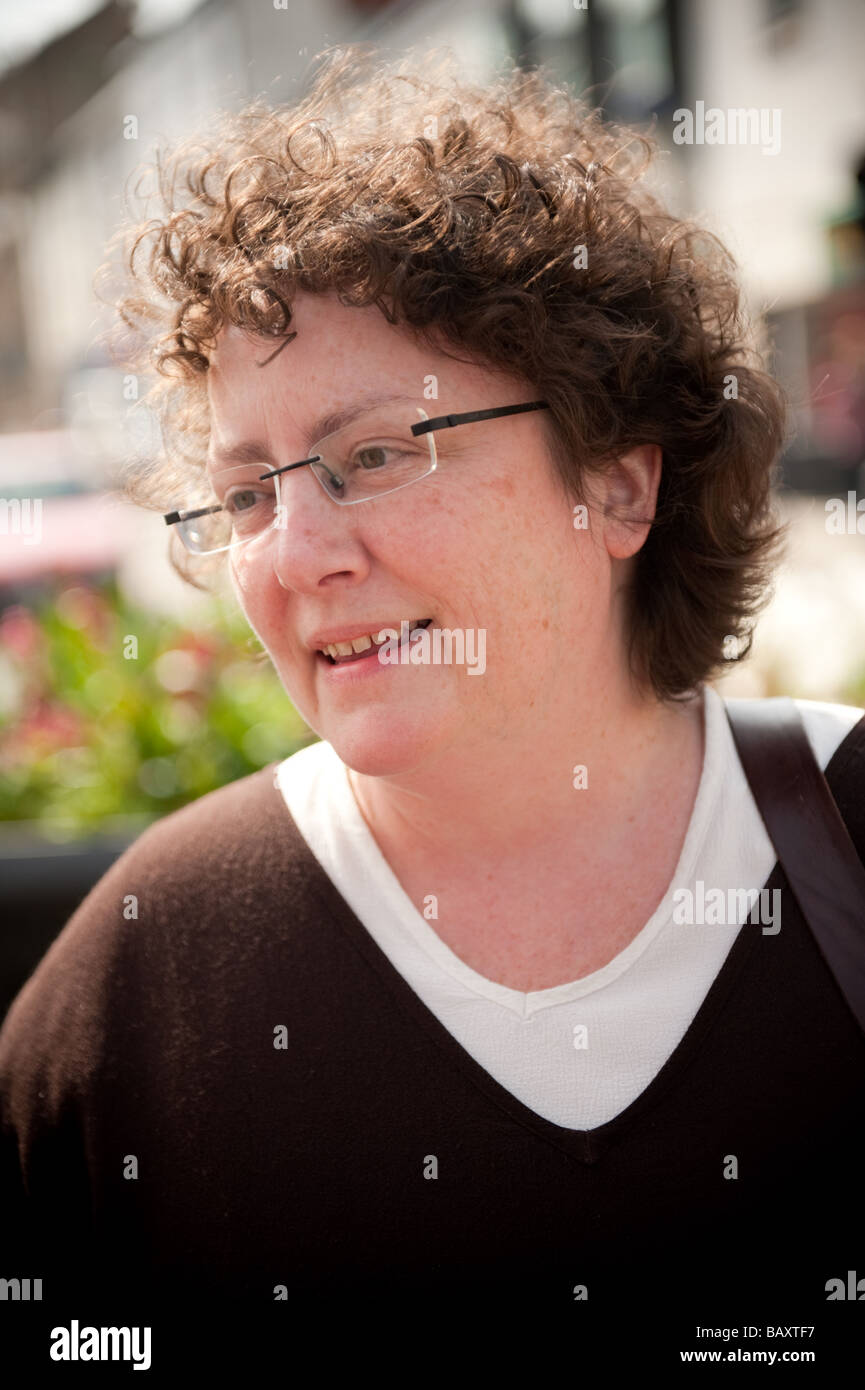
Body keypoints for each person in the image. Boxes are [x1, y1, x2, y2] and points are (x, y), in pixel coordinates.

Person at [1, 43, 864, 1370]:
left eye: (377, 456)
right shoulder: (145, 973)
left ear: (620, 486)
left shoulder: (846, 842)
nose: (293, 554)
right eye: (247, 492)